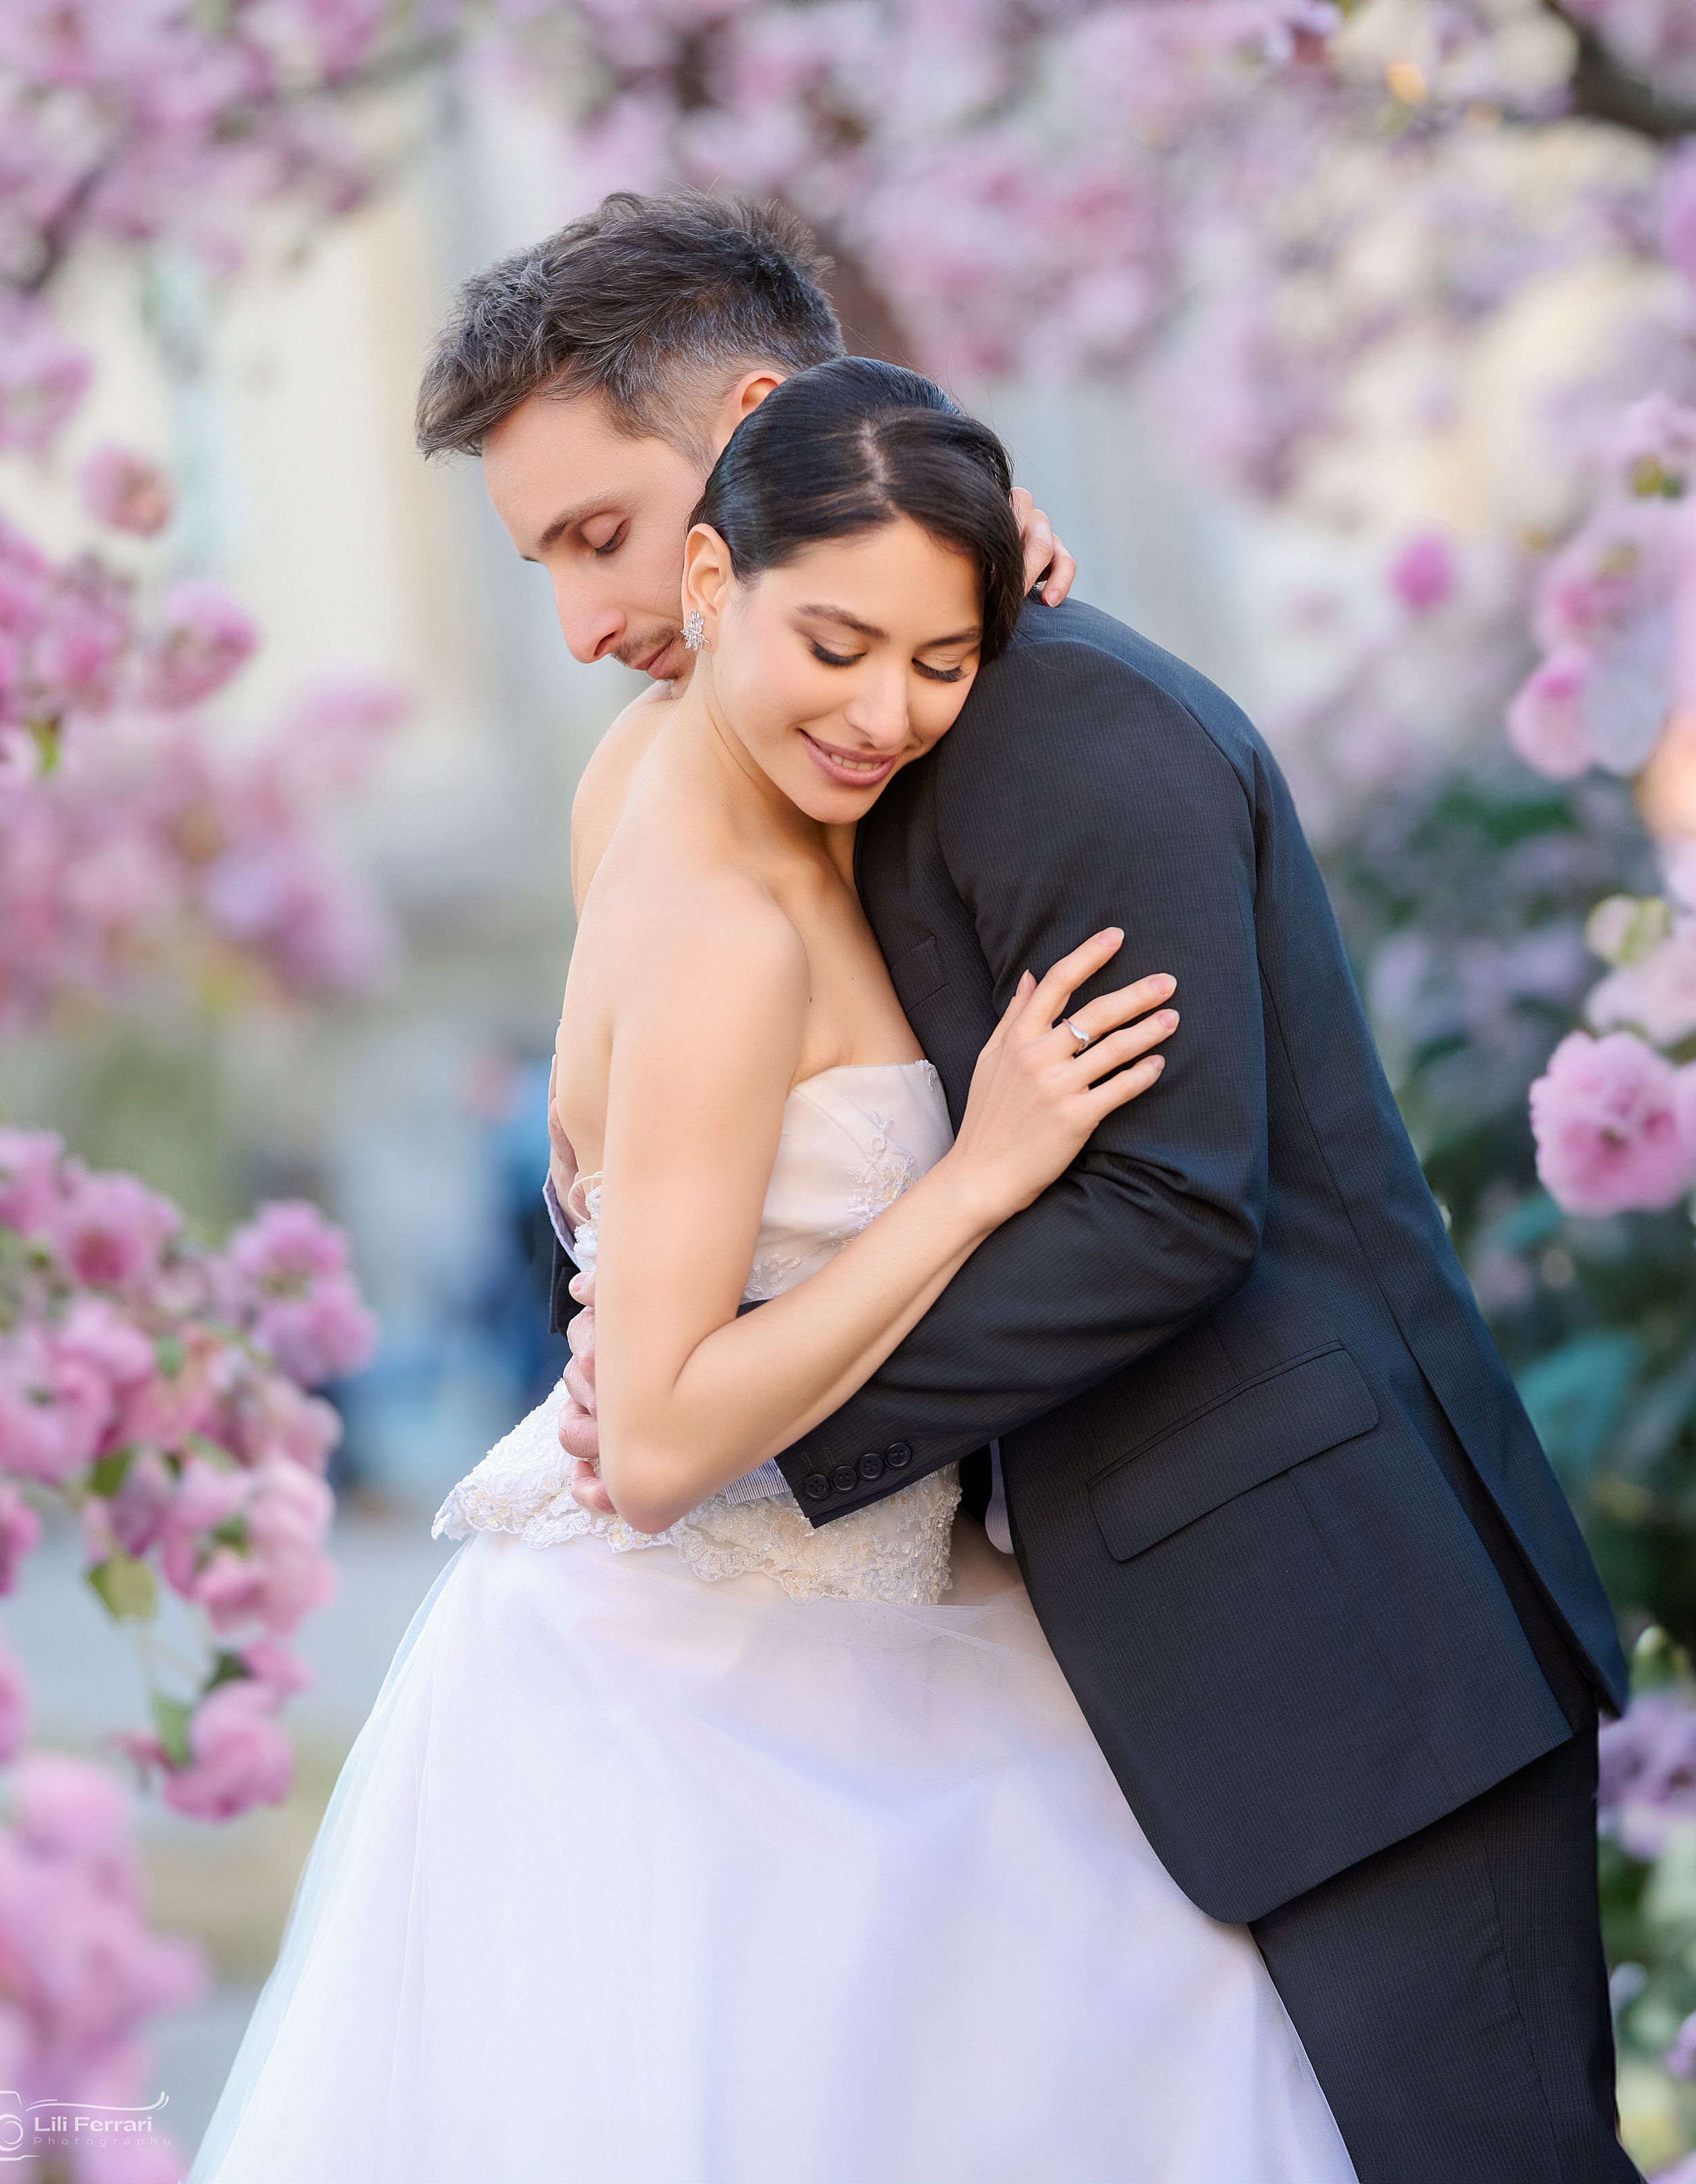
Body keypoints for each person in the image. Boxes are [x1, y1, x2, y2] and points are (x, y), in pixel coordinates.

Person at [425, 194, 1639, 2183]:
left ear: (742, 436)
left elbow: (1171, 1203)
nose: (582, 617)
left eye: (597, 533)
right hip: (1088, 1677)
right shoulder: (732, 772)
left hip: (1350, 1645)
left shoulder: (1056, 721)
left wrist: (753, 1433)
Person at [189, 357, 1361, 2184]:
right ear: (719, 588)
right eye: (836, 646)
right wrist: (973, 1180)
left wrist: (961, 540)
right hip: (702, 1690)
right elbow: (651, 1447)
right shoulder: (724, 925)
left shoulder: (674, 769)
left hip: (915, 1622)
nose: (886, 711)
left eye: (937, 662)